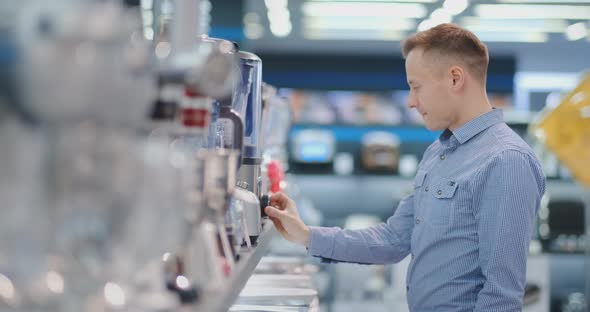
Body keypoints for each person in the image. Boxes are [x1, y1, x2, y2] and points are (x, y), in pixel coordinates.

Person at [264, 23, 546, 311]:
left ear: (455, 78)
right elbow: (394, 239)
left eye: (416, 87)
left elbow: (501, 296)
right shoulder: (439, 152)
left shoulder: (506, 161)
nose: (411, 102)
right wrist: (306, 235)